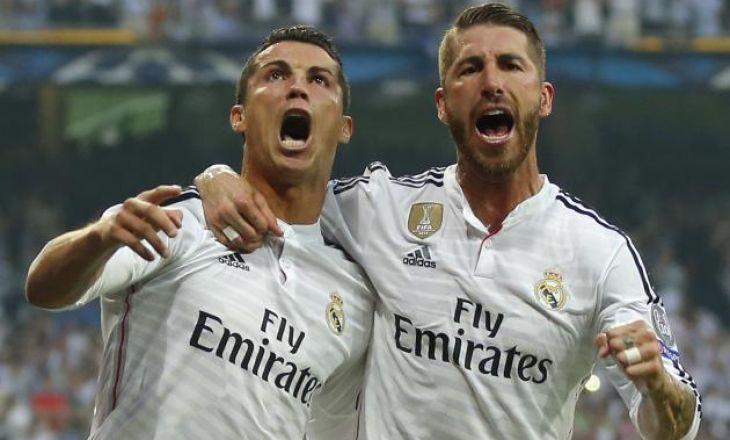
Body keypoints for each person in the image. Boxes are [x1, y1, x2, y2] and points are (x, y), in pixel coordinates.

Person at [196, 4, 701, 440]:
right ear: (442, 104)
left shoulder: (600, 252)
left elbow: (679, 424)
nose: (491, 83)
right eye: (470, 69)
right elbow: (279, 195)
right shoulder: (378, 209)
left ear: (544, 98)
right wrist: (214, 178)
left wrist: (657, 386)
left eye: (510, 66)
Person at [25, 26, 374, 439]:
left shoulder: (351, 296)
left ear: (345, 127)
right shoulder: (177, 222)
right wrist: (100, 237)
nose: (298, 88)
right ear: (239, 117)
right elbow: (44, 288)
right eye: (277, 75)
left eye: (319, 79)